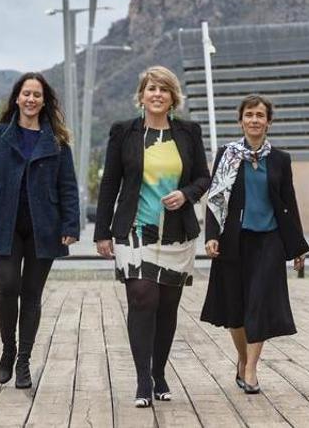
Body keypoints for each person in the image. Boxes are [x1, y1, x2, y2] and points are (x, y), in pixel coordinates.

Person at [95, 66, 211, 408]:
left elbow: (204, 177)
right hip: (134, 230)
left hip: (177, 234)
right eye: (151, 89)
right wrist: (102, 232)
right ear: (141, 95)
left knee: (167, 307)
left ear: (173, 97)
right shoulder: (123, 133)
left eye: (164, 89)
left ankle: (159, 372)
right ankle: (143, 380)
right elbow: (109, 184)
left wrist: (186, 194)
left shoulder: (188, 132)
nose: (157, 94)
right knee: (142, 297)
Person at [0, 73, 79, 389]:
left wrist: (70, 224)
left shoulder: (56, 140)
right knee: (7, 287)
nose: (31, 100)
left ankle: (24, 360)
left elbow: (68, 186)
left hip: (45, 227)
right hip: (5, 223)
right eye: (26, 94)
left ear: (44, 101)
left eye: (37, 95)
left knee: (32, 295)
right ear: (17, 98)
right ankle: (8, 348)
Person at [200, 95, 309, 395]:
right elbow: (215, 199)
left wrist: (297, 246)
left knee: (259, 304)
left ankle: (250, 369)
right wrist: (211, 236)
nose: (255, 120)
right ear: (241, 120)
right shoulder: (227, 154)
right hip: (233, 240)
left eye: (260, 115)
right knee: (235, 310)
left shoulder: (280, 159)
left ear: (268, 121)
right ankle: (242, 358)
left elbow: (289, 202)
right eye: (249, 115)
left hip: (269, 240)